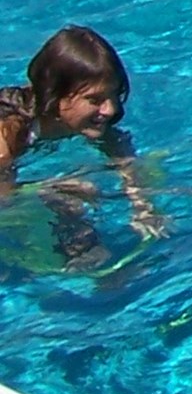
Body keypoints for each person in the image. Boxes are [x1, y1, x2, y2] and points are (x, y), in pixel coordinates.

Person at [0, 28, 168, 262]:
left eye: (114, 95)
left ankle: (89, 264)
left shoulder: (88, 123)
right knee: (68, 199)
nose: (110, 109)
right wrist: (49, 189)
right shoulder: (7, 136)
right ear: (55, 96)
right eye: (95, 100)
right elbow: (6, 205)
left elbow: (123, 158)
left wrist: (143, 206)